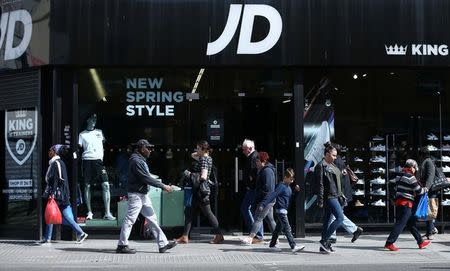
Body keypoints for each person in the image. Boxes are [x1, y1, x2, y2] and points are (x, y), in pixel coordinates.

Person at [116, 139, 177, 254]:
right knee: (130, 219)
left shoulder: (139, 160)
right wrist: (163, 186)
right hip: (136, 194)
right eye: (148, 148)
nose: (150, 150)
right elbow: (145, 178)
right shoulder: (136, 161)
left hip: (141, 194)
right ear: (142, 148)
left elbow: (146, 176)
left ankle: (163, 244)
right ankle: (122, 245)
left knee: (152, 219)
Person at [176, 140, 224, 244]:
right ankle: (185, 236)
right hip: (198, 190)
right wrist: (199, 153)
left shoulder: (204, 160)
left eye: (198, 148)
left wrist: (189, 174)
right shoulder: (207, 158)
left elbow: (203, 176)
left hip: (200, 191)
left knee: (208, 213)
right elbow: (192, 155)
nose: (196, 150)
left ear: (203, 149)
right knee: (189, 212)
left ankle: (219, 235)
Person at [41, 144, 88, 244]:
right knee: (64, 217)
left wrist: (52, 193)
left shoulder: (56, 163)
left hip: (59, 195)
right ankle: (81, 233)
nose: (49, 152)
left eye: (50, 150)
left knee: (51, 214)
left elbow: (56, 180)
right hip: (63, 195)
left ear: (55, 152)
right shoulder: (58, 163)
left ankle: (48, 238)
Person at [384, 159, 431, 251]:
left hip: (400, 202)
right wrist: (426, 189)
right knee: (400, 224)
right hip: (406, 203)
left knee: (411, 224)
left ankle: (420, 242)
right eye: (414, 168)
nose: (415, 170)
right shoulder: (410, 177)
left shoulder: (399, 175)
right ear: (412, 167)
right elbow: (418, 191)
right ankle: (389, 243)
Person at [78, 114, 115, 220]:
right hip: (87, 161)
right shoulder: (82, 134)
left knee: (106, 185)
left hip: (98, 161)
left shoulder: (99, 132)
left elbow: (103, 144)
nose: (94, 120)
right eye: (92, 119)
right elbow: (79, 147)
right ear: (87, 120)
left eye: (95, 119)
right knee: (87, 186)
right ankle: (89, 212)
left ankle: (107, 212)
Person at [260, 168, 304, 253]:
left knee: (277, 229)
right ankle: (293, 245)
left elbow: (291, 199)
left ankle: (272, 245)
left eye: (293, 179)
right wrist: (263, 204)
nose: (292, 181)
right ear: (285, 177)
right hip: (281, 211)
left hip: (284, 210)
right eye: (290, 178)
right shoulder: (281, 186)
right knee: (287, 228)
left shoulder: (288, 188)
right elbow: (272, 195)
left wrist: (297, 192)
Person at [328, 143, 363, 244]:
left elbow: (340, 181)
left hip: (340, 194)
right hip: (343, 193)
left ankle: (353, 230)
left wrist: (338, 194)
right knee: (336, 214)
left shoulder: (336, 162)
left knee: (336, 215)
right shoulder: (340, 161)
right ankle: (335, 235)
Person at [314, 142, 344, 253]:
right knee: (340, 218)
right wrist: (320, 200)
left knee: (327, 220)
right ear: (327, 154)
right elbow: (320, 184)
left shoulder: (332, 165)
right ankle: (324, 241)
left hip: (335, 195)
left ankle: (324, 245)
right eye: (333, 155)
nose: (335, 157)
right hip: (329, 196)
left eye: (336, 155)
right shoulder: (321, 166)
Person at [240, 151, 276, 245]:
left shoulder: (267, 171)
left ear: (263, 161)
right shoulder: (263, 170)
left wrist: (263, 203)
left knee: (258, 218)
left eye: (257, 161)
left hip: (266, 200)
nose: (256, 163)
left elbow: (268, 189)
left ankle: (250, 238)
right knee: (269, 219)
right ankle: (276, 239)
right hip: (269, 200)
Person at [240, 139, 264, 243]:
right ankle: (258, 235)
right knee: (256, 211)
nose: (243, 151)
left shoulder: (254, 157)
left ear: (249, 148)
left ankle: (256, 234)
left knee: (246, 208)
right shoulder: (253, 156)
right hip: (255, 188)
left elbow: (255, 173)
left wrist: (250, 185)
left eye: (244, 149)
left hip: (253, 189)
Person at [419, 147, 439, 240]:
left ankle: (430, 232)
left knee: (430, 210)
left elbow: (430, 176)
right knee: (428, 211)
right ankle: (430, 230)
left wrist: (426, 187)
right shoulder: (427, 161)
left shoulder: (428, 161)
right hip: (429, 189)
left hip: (431, 190)